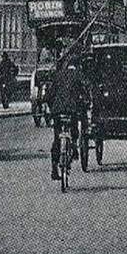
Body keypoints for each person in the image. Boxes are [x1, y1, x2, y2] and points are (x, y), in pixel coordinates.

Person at [47, 50, 89, 180]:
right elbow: (85, 93)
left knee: (56, 138)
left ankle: (54, 169)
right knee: (75, 126)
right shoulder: (78, 76)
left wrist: (51, 109)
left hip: (58, 111)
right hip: (72, 110)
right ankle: (74, 146)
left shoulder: (58, 75)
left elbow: (49, 95)